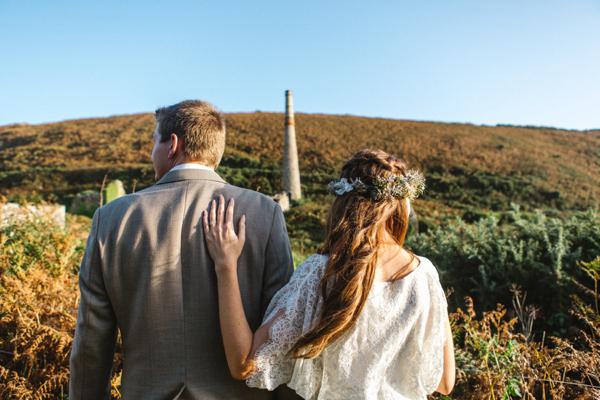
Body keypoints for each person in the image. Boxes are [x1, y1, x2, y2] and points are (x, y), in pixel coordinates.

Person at [69, 100, 297, 399]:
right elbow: (283, 333)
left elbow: (91, 342)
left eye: (154, 143)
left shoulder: (111, 218)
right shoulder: (264, 214)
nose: (152, 154)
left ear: (172, 144)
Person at [204, 149, 456, 399]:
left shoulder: (320, 273)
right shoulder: (425, 275)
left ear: (343, 201)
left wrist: (226, 266)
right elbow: (445, 383)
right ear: (402, 204)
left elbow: (243, 365)